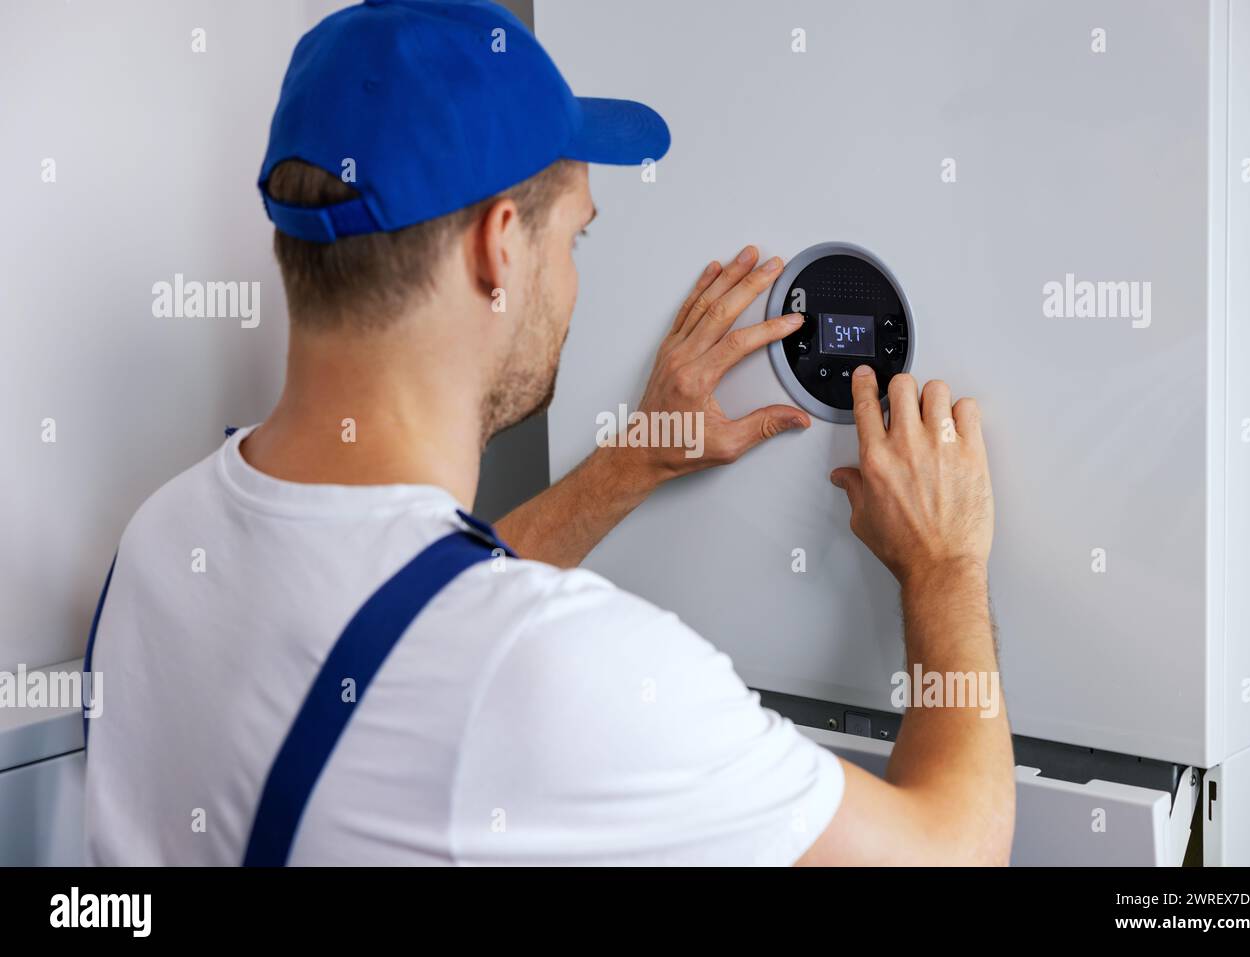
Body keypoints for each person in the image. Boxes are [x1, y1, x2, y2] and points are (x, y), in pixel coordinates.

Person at [84, 0, 1014, 866]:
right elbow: (951, 849)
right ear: (498, 245)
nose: (573, 282)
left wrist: (632, 461)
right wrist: (945, 568)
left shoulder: (166, 538)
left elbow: (409, 613)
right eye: (577, 238)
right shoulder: (562, 678)